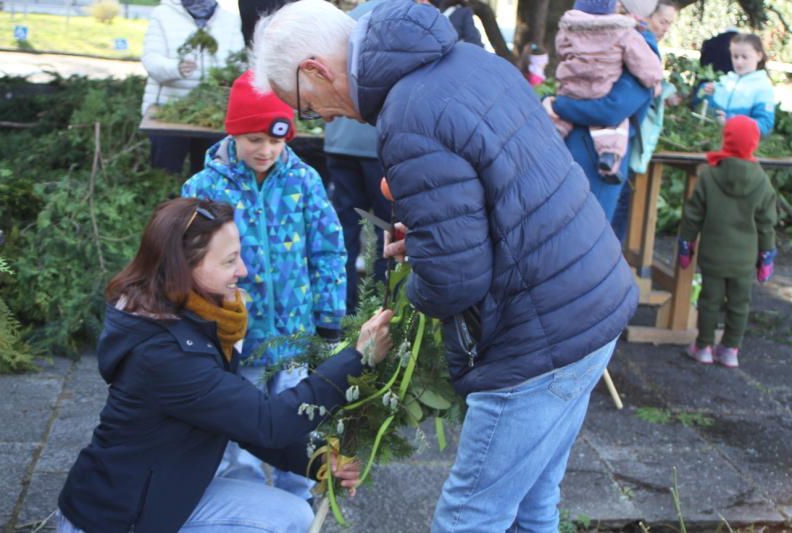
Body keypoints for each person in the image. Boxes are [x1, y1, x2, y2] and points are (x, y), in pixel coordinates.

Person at [251, 0, 638, 530]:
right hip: (590, 300)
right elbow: (506, 193)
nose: (319, 116)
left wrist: (415, 296)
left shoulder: (407, 115)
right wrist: (433, 237)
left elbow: (455, 281)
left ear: (317, 69)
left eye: (308, 105)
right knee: (533, 505)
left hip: (541, 336)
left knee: (469, 515)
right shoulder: (465, 61)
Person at [55, 197, 393, 533]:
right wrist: (356, 357)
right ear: (182, 266)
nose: (243, 270)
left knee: (292, 515)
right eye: (230, 260)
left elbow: (242, 419)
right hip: (121, 518)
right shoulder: (164, 355)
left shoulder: (193, 320)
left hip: (164, 490)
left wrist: (318, 459)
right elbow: (268, 421)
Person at [182, 70, 347, 501]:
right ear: (234, 132)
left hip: (294, 339)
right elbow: (188, 262)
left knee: (300, 424)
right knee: (241, 436)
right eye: (255, 139)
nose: (267, 150)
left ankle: (298, 502)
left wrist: (329, 320)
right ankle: (247, 506)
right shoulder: (204, 188)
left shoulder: (303, 181)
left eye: (276, 140)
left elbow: (328, 251)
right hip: (238, 340)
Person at [678, 116, 776, 369]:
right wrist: (766, 256)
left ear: (727, 139)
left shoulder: (710, 176)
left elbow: (693, 215)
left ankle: (703, 347)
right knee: (739, 303)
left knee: (709, 301)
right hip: (745, 258)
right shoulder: (762, 181)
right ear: (754, 143)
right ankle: (731, 349)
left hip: (713, 254)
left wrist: (686, 244)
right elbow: (766, 223)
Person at [547, 0, 658, 221]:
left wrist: (558, 105)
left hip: (597, 161)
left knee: (585, 234)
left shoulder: (638, 42)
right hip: (573, 151)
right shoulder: (615, 34)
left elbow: (613, 109)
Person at [324, 0, 392, 315]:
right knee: (384, 228)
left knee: (345, 228)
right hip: (376, 146)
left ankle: (344, 308)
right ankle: (379, 306)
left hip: (340, 142)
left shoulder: (341, 21)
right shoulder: (395, 21)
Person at [141, 0, 244, 175]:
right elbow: (151, 59)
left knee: (210, 175)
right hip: (167, 113)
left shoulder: (230, 19)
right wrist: (176, 67)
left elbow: (239, 62)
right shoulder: (163, 14)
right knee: (165, 173)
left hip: (213, 114)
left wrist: (230, 76)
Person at [611, 0, 679, 241]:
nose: (665, 28)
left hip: (622, 140)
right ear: (646, 15)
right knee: (615, 213)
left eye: (670, 24)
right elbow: (621, 103)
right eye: (663, 21)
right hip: (619, 141)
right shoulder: (641, 44)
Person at [701, 33, 776, 136]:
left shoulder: (763, 88)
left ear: (759, 56)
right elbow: (710, 113)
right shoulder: (726, 81)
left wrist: (732, 121)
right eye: (735, 56)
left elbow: (765, 126)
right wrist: (709, 93)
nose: (739, 62)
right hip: (715, 140)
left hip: (740, 148)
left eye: (745, 57)